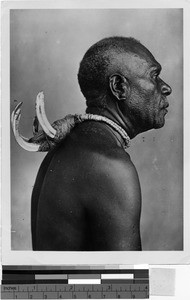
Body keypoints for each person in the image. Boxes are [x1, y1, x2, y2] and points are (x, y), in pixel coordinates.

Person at [28, 37, 172, 251]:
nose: (166, 87)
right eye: (154, 76)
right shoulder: (110, 165)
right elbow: (126, 280)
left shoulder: (65, 148)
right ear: (119, 87)